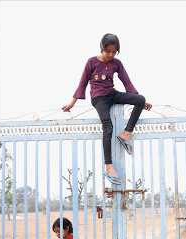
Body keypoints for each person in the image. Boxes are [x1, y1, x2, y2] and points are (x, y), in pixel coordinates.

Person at [62, 33, 152, 185]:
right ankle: (109, 166)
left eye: (114, 52)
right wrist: (72, 103)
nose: (111, 54)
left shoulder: (117, 63)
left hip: (112, 93)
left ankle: (125, 134)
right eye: (108, 51)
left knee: (140, 99)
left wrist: (140, 101)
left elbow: (127, 82)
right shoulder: (91, 62)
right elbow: (82, 83)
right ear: (102, 48)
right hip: (99, 98)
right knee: (108, 127)